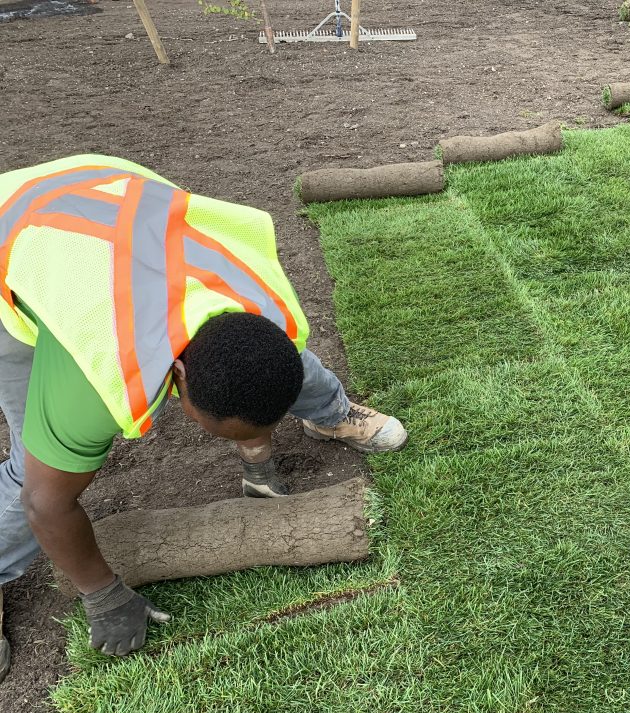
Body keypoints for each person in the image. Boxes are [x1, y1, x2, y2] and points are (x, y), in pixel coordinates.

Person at [0, 155, 407, 682]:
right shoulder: (96, 379)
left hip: (104, 191)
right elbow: (46, 503)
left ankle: (331, 414)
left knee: (283, 370)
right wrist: (102, 593)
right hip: (15, 241)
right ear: (176, 379)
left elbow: (265, 365)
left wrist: (256, 454)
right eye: (227, 433)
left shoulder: (264, 306)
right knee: (29, 477)